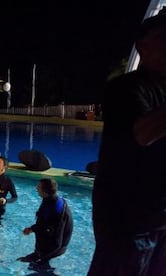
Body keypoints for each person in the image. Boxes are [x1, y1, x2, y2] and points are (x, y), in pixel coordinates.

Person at [89, 9, 166, 275]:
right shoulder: (126, 88)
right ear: (142, 46)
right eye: (163, 37)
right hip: (127, 219)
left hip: (159, 217)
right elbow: (143, 133)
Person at [17, 178, 73, 272]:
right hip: (46, 245)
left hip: (54, 249)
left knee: (35, 269)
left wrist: (41, 257)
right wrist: (32, 229)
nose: (36, 189)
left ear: (45, 191)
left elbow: (57, 242)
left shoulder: (56, 209)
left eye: (39, 187)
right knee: (26, 263)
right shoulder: (50, 199)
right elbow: (45, 223)